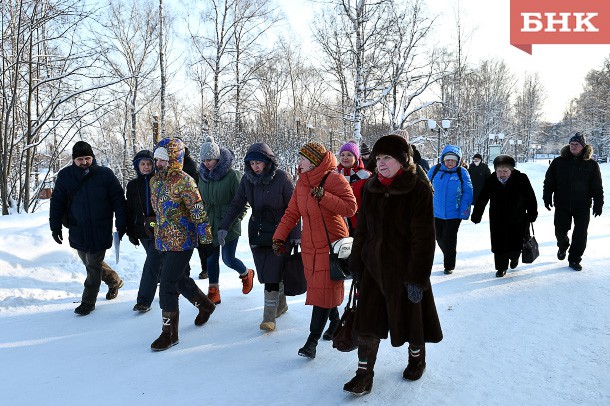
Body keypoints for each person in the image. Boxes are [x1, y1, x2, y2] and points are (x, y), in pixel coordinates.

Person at [343, 135, 443, 395]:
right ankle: (363, 375)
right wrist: (356, 263)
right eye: (377, 158)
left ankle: (416, 358)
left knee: (412, 320)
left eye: (387, 158)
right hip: (373, 269)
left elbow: (424, 238)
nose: (381, 163)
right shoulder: (370, 187)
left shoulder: (418, 189)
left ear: (402, 160)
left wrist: (417, 277)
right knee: (367, 323)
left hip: (406, 271)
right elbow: (362, 230)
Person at [272, 142, 357, 359]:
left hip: (332, 246)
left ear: (314, 161)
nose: (298, 162)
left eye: (302, 159)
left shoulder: (333, 179)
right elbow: (292, 213)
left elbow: (350, 207)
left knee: (321, 293)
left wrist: (325, 197)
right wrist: (279, 237)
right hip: (310, 247)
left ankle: (311, 342)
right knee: (323, 290)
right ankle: (336, 321)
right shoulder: (301, 184)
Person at [220, 142, 300, 332]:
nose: (255, 166)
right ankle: (280, 305)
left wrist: (296, 234)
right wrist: (224, 226)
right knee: (266, 272)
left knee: (273, 271)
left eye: (259, 162)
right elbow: (237, 204)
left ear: (267, 162)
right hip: (258, 232)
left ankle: (269, 318)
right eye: (252, 163)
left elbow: (294, 208)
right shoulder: (247, 180)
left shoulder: (282, 178)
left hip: (281, 232)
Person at [149, 137, 216, 351]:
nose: (159, 164)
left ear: (175, 159)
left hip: (183, 240)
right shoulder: (155, 181)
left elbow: (198, 212)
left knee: (167, 283)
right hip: (162, 239)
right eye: (157, 159)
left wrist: (205, 240)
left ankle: (169, 334)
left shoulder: (185, 181)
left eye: (163, 159)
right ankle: (205, 306)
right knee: (178, 280)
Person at [49, 141, 126, 315]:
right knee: (90, 262)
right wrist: (55, 226)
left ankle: (88, 302)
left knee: (92, 266)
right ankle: (114, 281)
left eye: (88, 158)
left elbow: (118, 200)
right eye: (80, 159)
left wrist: (121, 223)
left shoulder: (105, 174)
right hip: (77, 229)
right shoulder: (65, 176)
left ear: (93, 158)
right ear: (74, 160)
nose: (84, 162)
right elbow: (57, 202)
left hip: (100, 228)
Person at [198, 136, 254, 304]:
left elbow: (243, 202)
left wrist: (235, 220)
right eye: (204, 160)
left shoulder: (232, 176)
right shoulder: (202, 177)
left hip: (228, 224)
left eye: (210, 159)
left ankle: (246, 273)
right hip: (209, 224)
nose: (206, 163)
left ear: (217, 158)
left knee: (228, 259)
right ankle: (213, 290)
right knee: (210, 259)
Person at [543, 132, 604, 271]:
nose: (573, 146)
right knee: (560, 230)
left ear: (583, 146)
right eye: (571, 144)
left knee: (581, 234)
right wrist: (547, 196)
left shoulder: (592, 165)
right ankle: (563, 245)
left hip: (582, 206)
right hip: (562, 204)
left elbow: (597, 186)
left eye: (576, 144)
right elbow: (549, 181)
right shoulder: (558, 161)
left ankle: (575, 259)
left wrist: (598, 203)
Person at [471, 155, 538, 277]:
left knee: (516, 243)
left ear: (511, 170)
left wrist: (532, 213)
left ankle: (514, 258)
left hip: (518, 218)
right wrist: (477, 214)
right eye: (499, 171)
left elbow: (531, 197)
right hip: (498, 219)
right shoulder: (491, 180)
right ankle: (501, 267)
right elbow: (482, 198)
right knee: (499, 244)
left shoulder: (521, 178)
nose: (502, 174)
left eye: (505, 171)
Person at [427, 145, 473, 275]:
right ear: (443, 160)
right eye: (447, 160)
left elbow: (468, 192)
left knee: (449, 239)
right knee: (438, 237)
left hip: (454, 213)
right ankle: (448, 253)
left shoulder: (462, 172)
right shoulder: (435, 170)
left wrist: (464, 210)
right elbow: (424, 186)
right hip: (436, 213)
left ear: (458, 161)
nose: (450, 163)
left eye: (453, 160)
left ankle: (449, 265)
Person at [125, 150, 160, 313]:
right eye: (142, 164)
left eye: (149, 163)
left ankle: (144, 300)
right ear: (137, 166)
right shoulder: (132, 185)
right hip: (142, 230)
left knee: (152, 262)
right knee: (156, 262)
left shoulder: (160, 181)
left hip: (161, 228)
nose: (146, 167)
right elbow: (129, 209)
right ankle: (175, 282)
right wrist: (131, 231)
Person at [183, 145, 211, 280]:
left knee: (201, 242)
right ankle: (184, 270)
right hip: (181, 210)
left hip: (195, 207)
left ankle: (205, 268)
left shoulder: (189, 164)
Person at [336, 141, 371, 235]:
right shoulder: (334, 175)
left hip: (361, 225)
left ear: (356, 157)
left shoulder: (365, 175)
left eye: (349, 154)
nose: (345, 157)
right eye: (342, 155)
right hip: (339, 225)